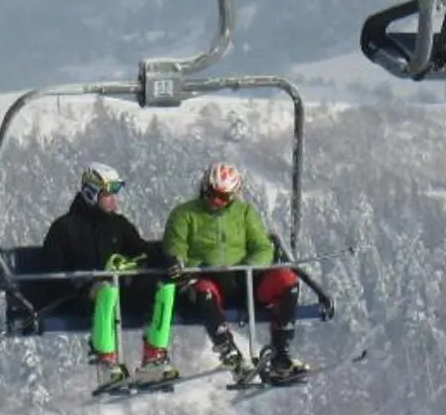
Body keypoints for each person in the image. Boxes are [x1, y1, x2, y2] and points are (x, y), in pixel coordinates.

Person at [27, 163, 182, 392]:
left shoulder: (118, 225)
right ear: (91, 194)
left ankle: (153, 358)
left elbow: (141, 248)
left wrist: (165, 260)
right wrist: (80, 281)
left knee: (164, 287)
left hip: (119, 290)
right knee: (106, 290)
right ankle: (106, 361)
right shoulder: (65, 228)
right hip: (81, 295)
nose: (113, 200)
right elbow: (52, 271)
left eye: (114, 195)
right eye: (107, 195)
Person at [164, 161, 308, 384]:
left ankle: (281, 353)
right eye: (211, 194)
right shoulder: (185, 214)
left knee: (287, 280)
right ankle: (231, 355)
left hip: (244, 280)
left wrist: (250, 267)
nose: (216, 201)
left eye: (223, 197)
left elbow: (263, 247)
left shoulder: (245, 213)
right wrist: (178, 262)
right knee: (203, 291)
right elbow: (176, 247)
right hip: (208, 279)